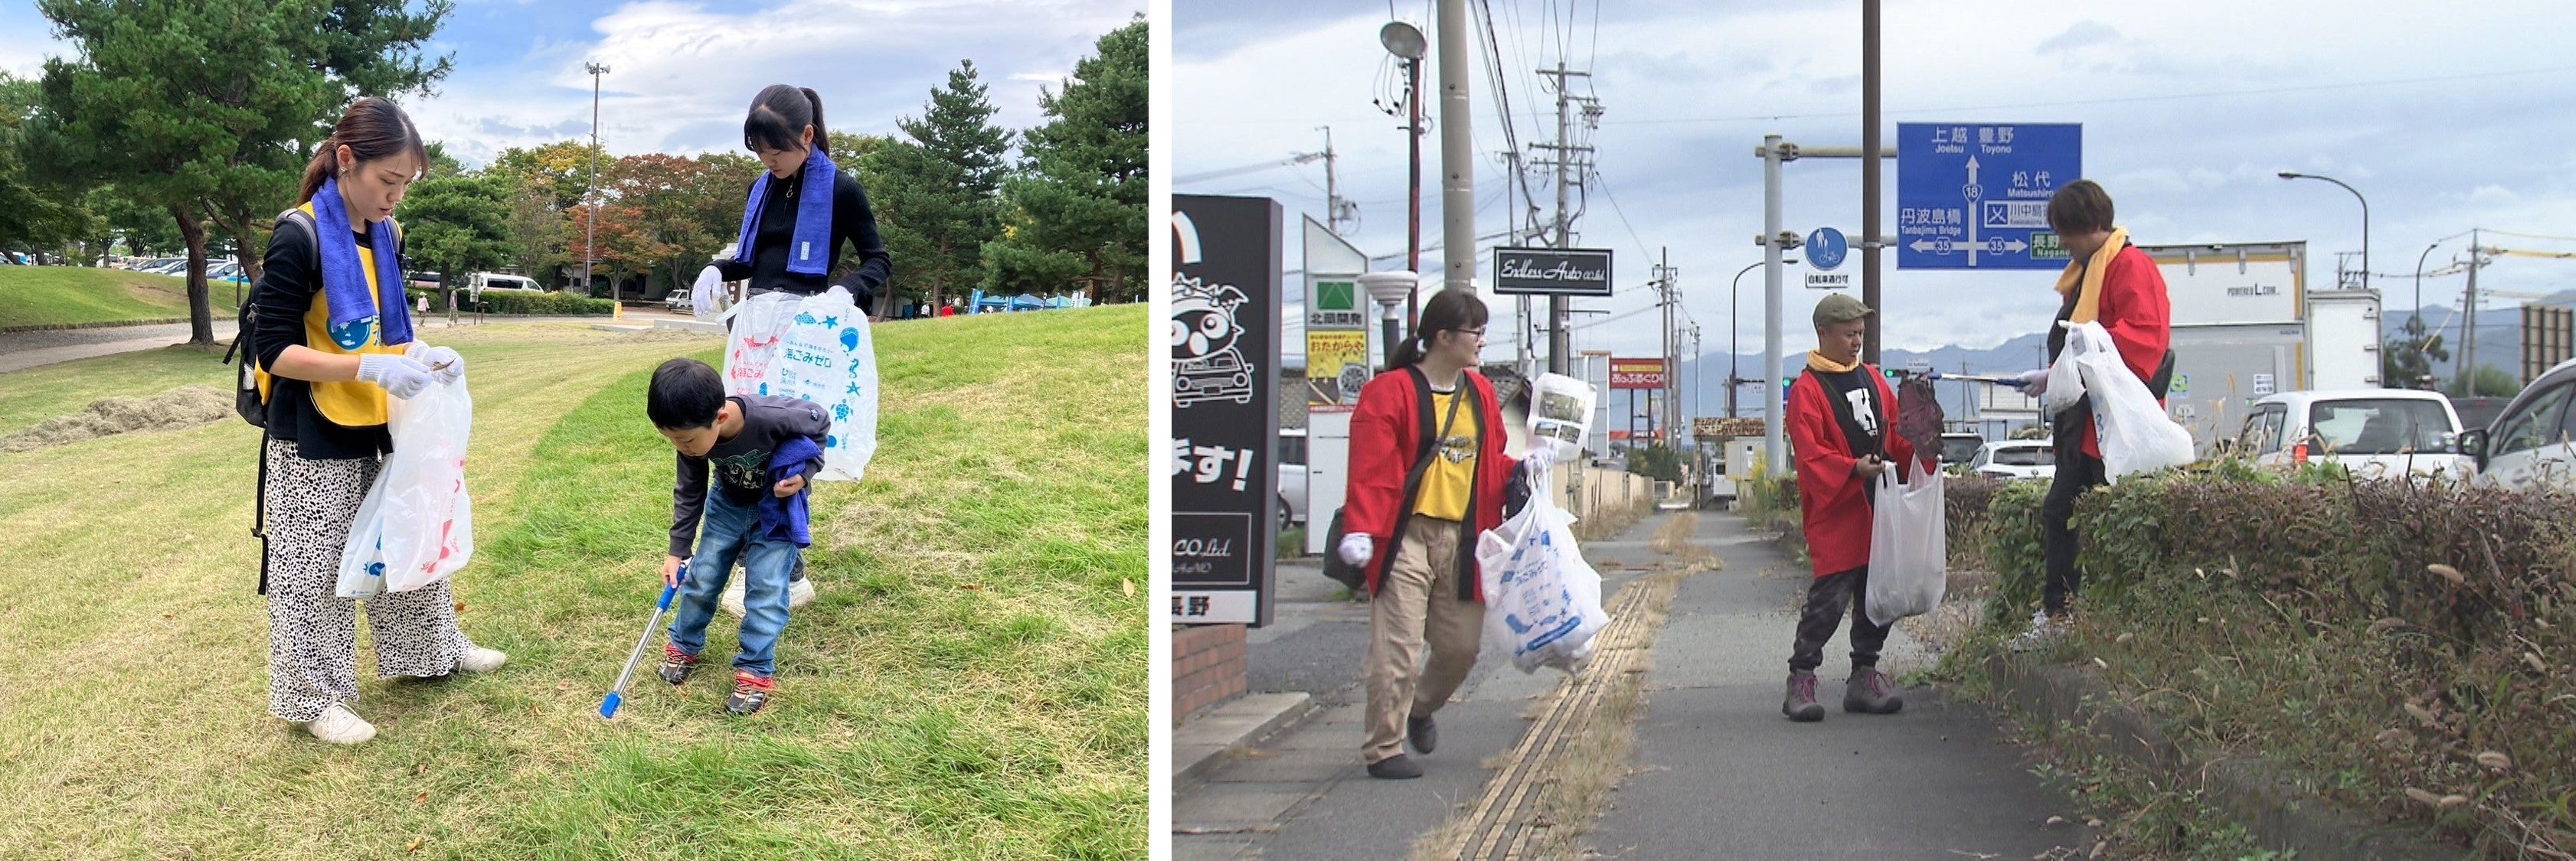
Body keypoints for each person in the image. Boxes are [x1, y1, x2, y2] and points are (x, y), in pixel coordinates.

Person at [248, 97, 503, 745]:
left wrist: (418, 356)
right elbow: (273, 348)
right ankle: (314, 696)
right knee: (313, 562)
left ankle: (430, 651)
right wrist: (366, 369)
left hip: (383, 415)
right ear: (345, 161)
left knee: (407, 531)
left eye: (404, 186)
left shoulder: (387, 234)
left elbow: (392, 330)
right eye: (387, 182)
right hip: (312, 421)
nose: (394, 198)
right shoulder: (299, 233)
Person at [688, 84, 894, 617]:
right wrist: (717, 268)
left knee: (784, 450)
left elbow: (877, 260)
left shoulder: (842, 190)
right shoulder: (763, 189)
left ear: (807, 136)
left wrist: (843, 291)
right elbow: (754, 260)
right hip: (754, 326)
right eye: (760, 152)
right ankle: (778, 569)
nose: (769, 162)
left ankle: (778, 571)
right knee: (738, 441)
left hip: (806, 330)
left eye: (776, 151)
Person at [1337, 289, 1553, 779]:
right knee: (1398, 647)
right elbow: (1372, 469)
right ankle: (1384, 748)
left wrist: (1523, 467)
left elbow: (1489, 465)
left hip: (1463, 537)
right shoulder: (1389, 392)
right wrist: (1363, 528)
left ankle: (1419, 708)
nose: (1481, 340)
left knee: (1461, 647)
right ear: (1443, 336)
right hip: (1404, 535)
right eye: (1474, 331)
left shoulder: (1477, 394)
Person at [2003, 180, 2174, 650]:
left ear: (2090, 226)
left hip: (2114, 423)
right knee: (2065, 512)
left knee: (2081, 515)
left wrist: (2067, 363)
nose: (2061, 242)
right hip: (2085, 421)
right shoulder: (2089, 270)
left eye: (2065, 231)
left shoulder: (2130, 267)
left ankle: (2072, 618)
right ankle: (2065, 616)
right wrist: (2053, 374)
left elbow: (2145, 340)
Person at [648, 358, 829, 716]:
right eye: (672, 440)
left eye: (686, 441)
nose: (682, 448)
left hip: (774, 511)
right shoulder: (691, 437)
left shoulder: (772, 415)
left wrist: (806, 473)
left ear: (720, 418)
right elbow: (690, 491)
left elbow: (820, 420)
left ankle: (755, 670)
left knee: (764, 591)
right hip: (727, 506)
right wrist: (677, 551)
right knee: (702, 578)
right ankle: (684, 644)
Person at [1780, 293, 1930, 722]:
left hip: (1877, 506)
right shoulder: (1806, 391)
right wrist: (1852, 468)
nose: (1856, 343)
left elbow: (1896, 434)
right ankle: (1802, 677)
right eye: (1849, 334)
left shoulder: (1874, 381)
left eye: (1861, 334)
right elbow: (1810, 457)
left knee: (1876, 596)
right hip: (1838, 511)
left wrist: (1924, 446)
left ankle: (1864, 675)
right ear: (1823, 334)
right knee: (1828, 601)